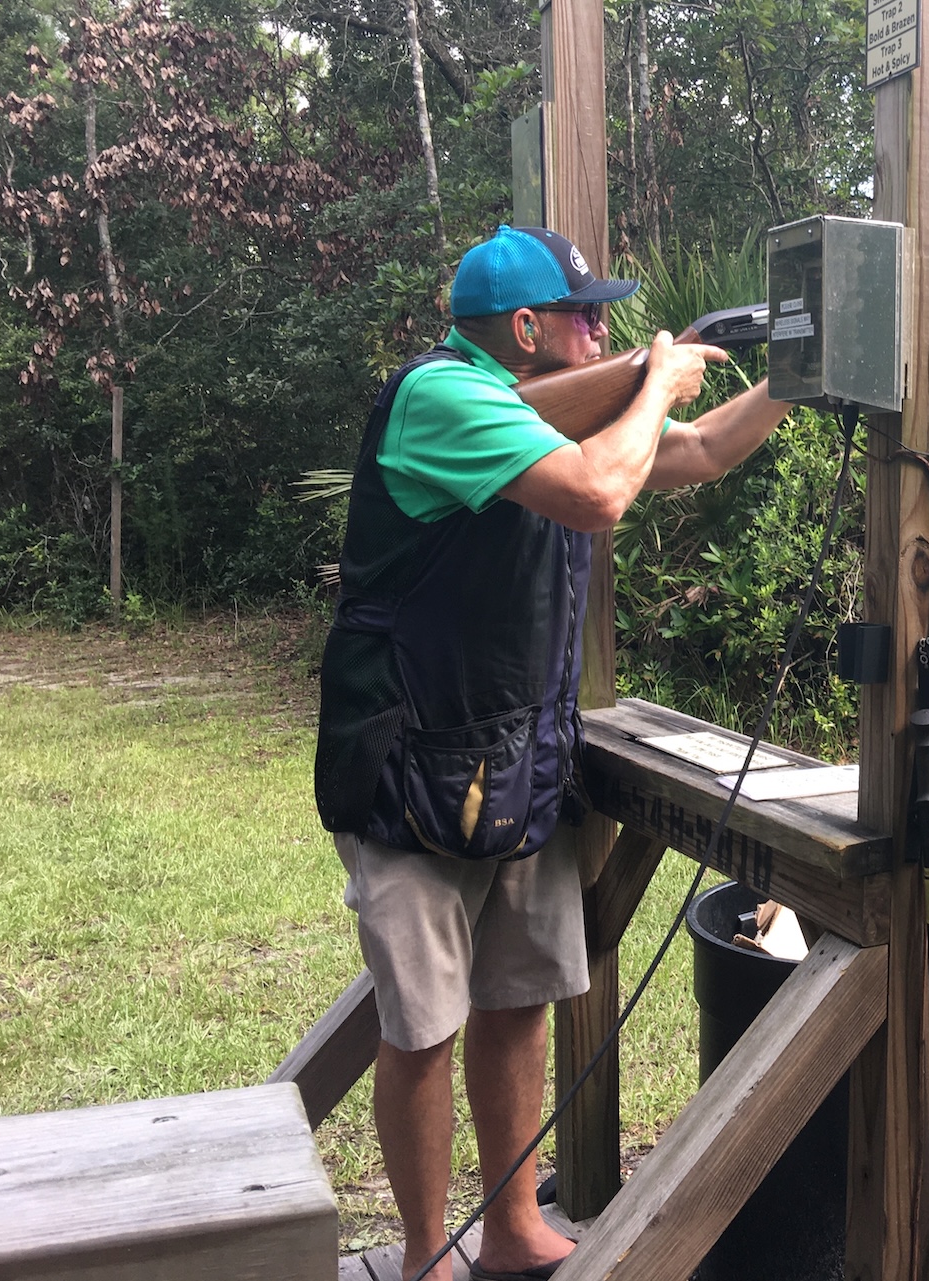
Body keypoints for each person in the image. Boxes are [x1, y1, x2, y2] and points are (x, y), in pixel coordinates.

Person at [313, 225, 793, 1281]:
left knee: (519, 1000)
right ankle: (431, 1252)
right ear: (526, 328)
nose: (609, 331)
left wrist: (791, 383)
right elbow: (598, 495)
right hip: (411, 768)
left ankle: (515, 1221)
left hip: (516, 763)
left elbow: (702, 454)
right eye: (588, 317)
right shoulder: (442, 398)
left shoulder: (553, 412)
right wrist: (657, 377)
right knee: (423, 1027)